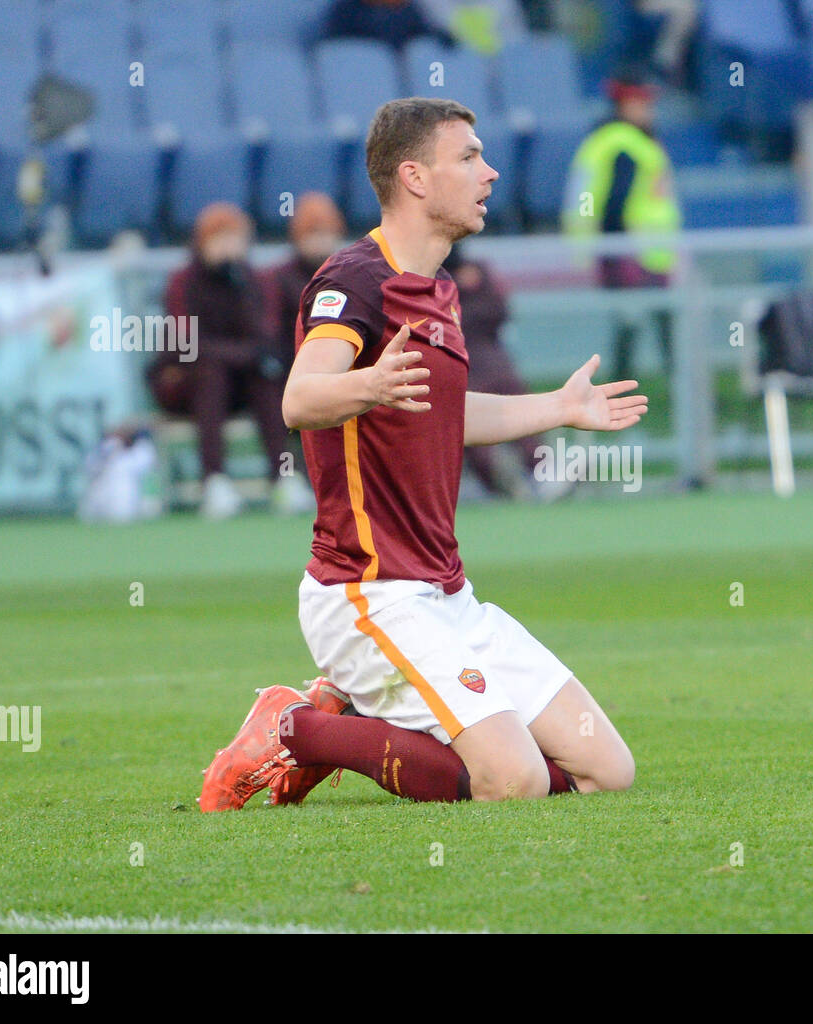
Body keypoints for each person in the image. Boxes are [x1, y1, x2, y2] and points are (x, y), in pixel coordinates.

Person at [198, 98, 645, 810]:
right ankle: (297, 729)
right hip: (366, 593)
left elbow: (443, 417)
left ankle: (367, 724)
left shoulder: (437, 290)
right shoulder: (354, 281)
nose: (490, 172)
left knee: (607, 771)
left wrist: (558, 409)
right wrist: (368, 382)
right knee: (516, 782)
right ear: (414, 177)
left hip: (446, 596)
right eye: (468, 157)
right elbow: (299, 399)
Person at [153, 202, 313, 518]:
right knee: (211, 372)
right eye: (220, 239)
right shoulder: (183, 282)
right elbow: (185, 345)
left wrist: (239, 289)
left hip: (240, 382)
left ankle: (283, 477)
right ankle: (214, 480)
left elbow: (265, 338)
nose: (228, 247)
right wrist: (241, 354)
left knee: (266, 376)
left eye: (234, 239)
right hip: (189, 383)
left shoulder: (253, 280)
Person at [563, 69, 681, 383]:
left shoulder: (614, 140)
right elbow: (615, 202)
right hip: (634, 252)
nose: (649, 111)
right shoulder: (623, 143)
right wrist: (620, 250)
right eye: (642, 103)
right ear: (625, 105)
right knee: (634, 321)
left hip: (643, 252)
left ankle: (677, 392)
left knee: (648, 320)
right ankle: (630, 390)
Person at [442, 243, 568, 500]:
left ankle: (541, 472)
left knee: (516, 408)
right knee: (465, 423)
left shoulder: (479, 273)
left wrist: (472, 288)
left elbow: (498, 312)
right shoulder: (427, 279)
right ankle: (499, 481)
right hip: (455, 365)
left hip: (489, 359)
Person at [269, 192, 348, 382]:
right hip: (290, 363)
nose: (321, 241)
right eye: (314, 234)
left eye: (327, 233)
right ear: (298, 237)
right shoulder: (278, 278)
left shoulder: (348, 275)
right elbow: (271, 334)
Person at [320, 0, 448, 50]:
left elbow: (422, 36)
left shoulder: (408, 11)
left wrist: (439, 37)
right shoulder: (348, 9)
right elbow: (339, 48)